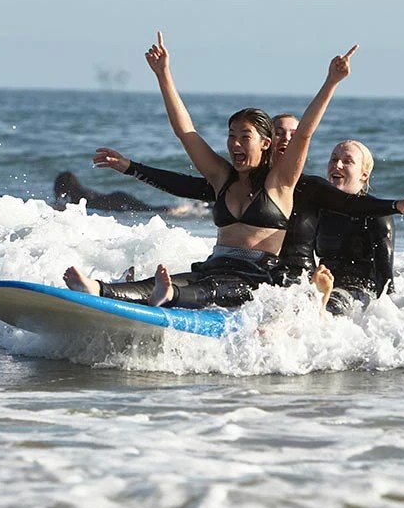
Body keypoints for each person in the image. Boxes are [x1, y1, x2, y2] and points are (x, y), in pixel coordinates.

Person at [64, 32, 358, 309]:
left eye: (245, 137)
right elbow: (186, 132)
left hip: (255, 278)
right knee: (163, 282)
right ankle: (99, 289)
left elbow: (304, 132)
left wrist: (332, 81)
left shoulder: (280, 182)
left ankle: (169, 295)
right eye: (231, 136)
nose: (235, 144)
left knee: (206, 289)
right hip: (215, 264)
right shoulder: (222, 178)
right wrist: (163, 74)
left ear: (265, 143)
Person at [80, 117, 404, 304]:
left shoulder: (312, 189)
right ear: (269, 143)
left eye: (293, 136)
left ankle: (318, 305)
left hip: (295, 282)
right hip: (267, 276)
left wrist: (397, 206)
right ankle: (124, 293)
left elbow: (360, 207)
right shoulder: (248, 187)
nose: (286, 141)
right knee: (203, 279)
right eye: (279, 134)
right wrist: (132, 168)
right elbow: (186, 185)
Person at [314, 140, 402, 315]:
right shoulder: (318, 209)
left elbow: (385, 277)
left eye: (347, 161)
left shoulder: (377, 214)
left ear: (364, 174)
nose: (337, 165)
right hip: (323, 286)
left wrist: (390, 317)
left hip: (358, 292)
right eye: (333, 159)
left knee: (326, 308)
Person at [53, 171, 169, 212]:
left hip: (115, 200)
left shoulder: (77, 195)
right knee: (147, 208)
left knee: (146, 209)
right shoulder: (81, 191)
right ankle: (171, 210)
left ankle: (170, 210)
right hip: (117, 196)